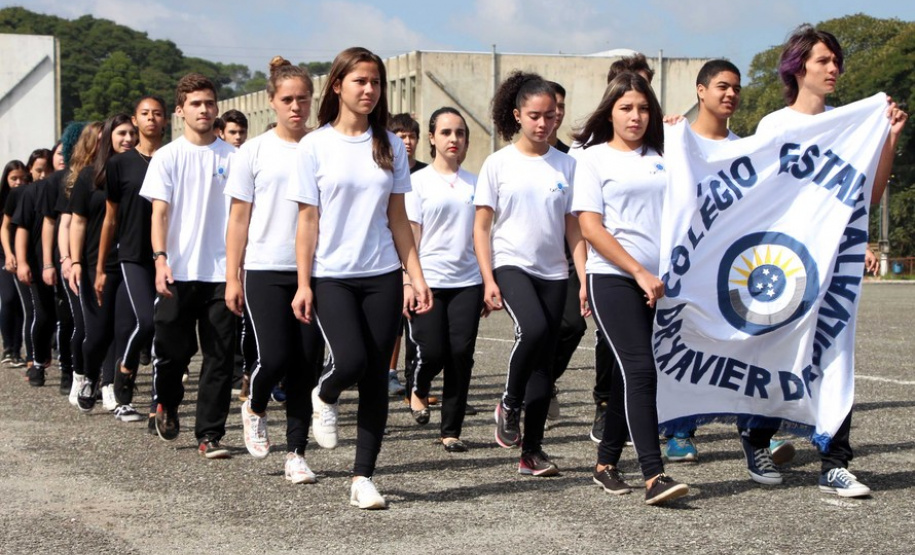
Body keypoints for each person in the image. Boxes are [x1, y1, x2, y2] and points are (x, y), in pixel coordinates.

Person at [753, 24, 907, 497]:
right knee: (779, 352)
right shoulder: (775, 126)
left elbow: (869, 195)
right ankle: (756, 440)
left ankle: (834, 462)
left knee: (836, 355)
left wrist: (889, 138)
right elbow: (756, 201)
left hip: (835, 263)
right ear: (797, 67)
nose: (833, 68)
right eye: (823, 60)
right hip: (785, 264)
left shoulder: (850, 126)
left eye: (836, 60)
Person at [288, 46, 432, 509]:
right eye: (360, 81)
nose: (369, 90)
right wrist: (304, 283)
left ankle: (363, 478)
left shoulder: (389, 144)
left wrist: (415, 275)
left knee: (375, 377)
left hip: (382, 274)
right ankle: (325, 392)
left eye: (376, 82)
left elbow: (398, 218)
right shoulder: (314, 145)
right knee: (349, 361)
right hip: (331, 275)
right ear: (337, 86)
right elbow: (307, 220)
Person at [662, 60, 798, 470]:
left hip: (734, 265)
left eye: (736, 88)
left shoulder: (747, 149)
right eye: (722, 86)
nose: (731, 94)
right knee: (688, 343)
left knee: (746, 344)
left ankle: (757, 431)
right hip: (687, 264)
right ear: (700, 90)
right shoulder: (676, 141)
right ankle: (680, 432)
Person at [572, 72, 689, 505]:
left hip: (661, 282)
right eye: (625, 108)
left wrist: (684, 134)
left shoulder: (666, 154)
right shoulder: (592, 159)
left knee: (630, 373)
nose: (635, 116)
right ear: (610, 112)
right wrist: (638, 271)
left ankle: (605, 463)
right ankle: (654, 475)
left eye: (643, 108)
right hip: (613, 278)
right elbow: (590, 227)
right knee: (640, 370)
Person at [473, 71, 586, 477]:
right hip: (510, 263)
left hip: (554, 272)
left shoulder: (568, 165)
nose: (543, 124)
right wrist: (488, 279)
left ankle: (532, 452)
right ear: (518, 115)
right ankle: (509, 402)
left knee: (544, 362)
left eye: (550, 116)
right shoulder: (498, 163)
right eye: (535, 116)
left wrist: (583, 279)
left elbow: (574, 228)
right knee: (534, 330)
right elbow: (481, 227)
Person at [225, 56, 323, 483]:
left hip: (316, 270)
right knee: (275, 356)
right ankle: (255, 405)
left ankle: (296, 454)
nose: (296, 107)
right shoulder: (253, 151)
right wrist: (233, 275)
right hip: (266, 267)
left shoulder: (323, 146)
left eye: (303, 99)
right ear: (272, 101)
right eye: (287, 100)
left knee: (306, 364)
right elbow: (238, 219)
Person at [140, 73, 238, 459]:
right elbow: (159, 214)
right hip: (178, 271)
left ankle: (210, 434)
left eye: (209, 103)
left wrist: (239, 268)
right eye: (196, 104)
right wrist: (160, 258)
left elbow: (243, 216)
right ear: (180, 110)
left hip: (222, 272)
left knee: (219, 356)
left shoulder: (235, 157)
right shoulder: (167, 157)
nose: (204, 109)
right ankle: (166, 402)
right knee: (173, 352)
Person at [404, 107, 481, 452]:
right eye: (446, 132)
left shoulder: (476, 184)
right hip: (428, 281)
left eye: (460, 133)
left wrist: (489, 281)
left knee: (461, 354)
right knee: (432, 352)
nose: (454, 139)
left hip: (468, 281)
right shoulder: (417, 182)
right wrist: (408, 281)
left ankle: (451, 430)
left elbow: (483, 236)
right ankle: (418, 387)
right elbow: (410, 237)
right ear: (432, 138)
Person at [96, 96, 167, 424]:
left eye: (157, 113)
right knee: (146, 322)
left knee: (165, 331)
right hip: (132, 255)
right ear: (136, 120)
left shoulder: (172, 157)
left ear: (166, 119)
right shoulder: (120, 164)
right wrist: (100, 267)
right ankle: (124, 372)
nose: (151, 118)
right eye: (145, 113)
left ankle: (157, 404)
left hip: (168, 255)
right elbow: (110, 219)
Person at [68, 113, 138, 414]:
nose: (128, 139)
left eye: (132, 133)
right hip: (96, 263)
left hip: (132, 262)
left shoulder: (140, 171)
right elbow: (78, 222)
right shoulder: (89, 176)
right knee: (97, 333)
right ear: (109, 137)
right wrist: (74, 261)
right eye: (122, 133)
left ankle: (114, 389)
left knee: (124, 330)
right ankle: (88, 375)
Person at [50, 122, 101, 406]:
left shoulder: (114, 173)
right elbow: (66, 224)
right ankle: (78, 375)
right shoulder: (74, 179)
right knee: (82, 324)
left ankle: (103, 381)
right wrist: (67, 259)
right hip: (78, 261)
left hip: (105, 261)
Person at [387, 112, 426, 398]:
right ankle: (387, 372)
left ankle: (415, 382)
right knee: (391, 323)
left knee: (412, 321)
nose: (407, 141)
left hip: (415, 255)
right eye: (401, 136)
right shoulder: (385, 169)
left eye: (412, 136)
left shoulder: (425, 173)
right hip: (387, 253)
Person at [0, 160, 26, 368]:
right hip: (4, 256)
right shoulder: (3, 201)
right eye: (13, 179)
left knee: (20, 302)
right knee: (8, 298)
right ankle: (8, 346)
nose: (18, 183)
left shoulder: (28, 196)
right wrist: (9, 253)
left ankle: (16, 349)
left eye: (21, 178)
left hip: (25, 256)